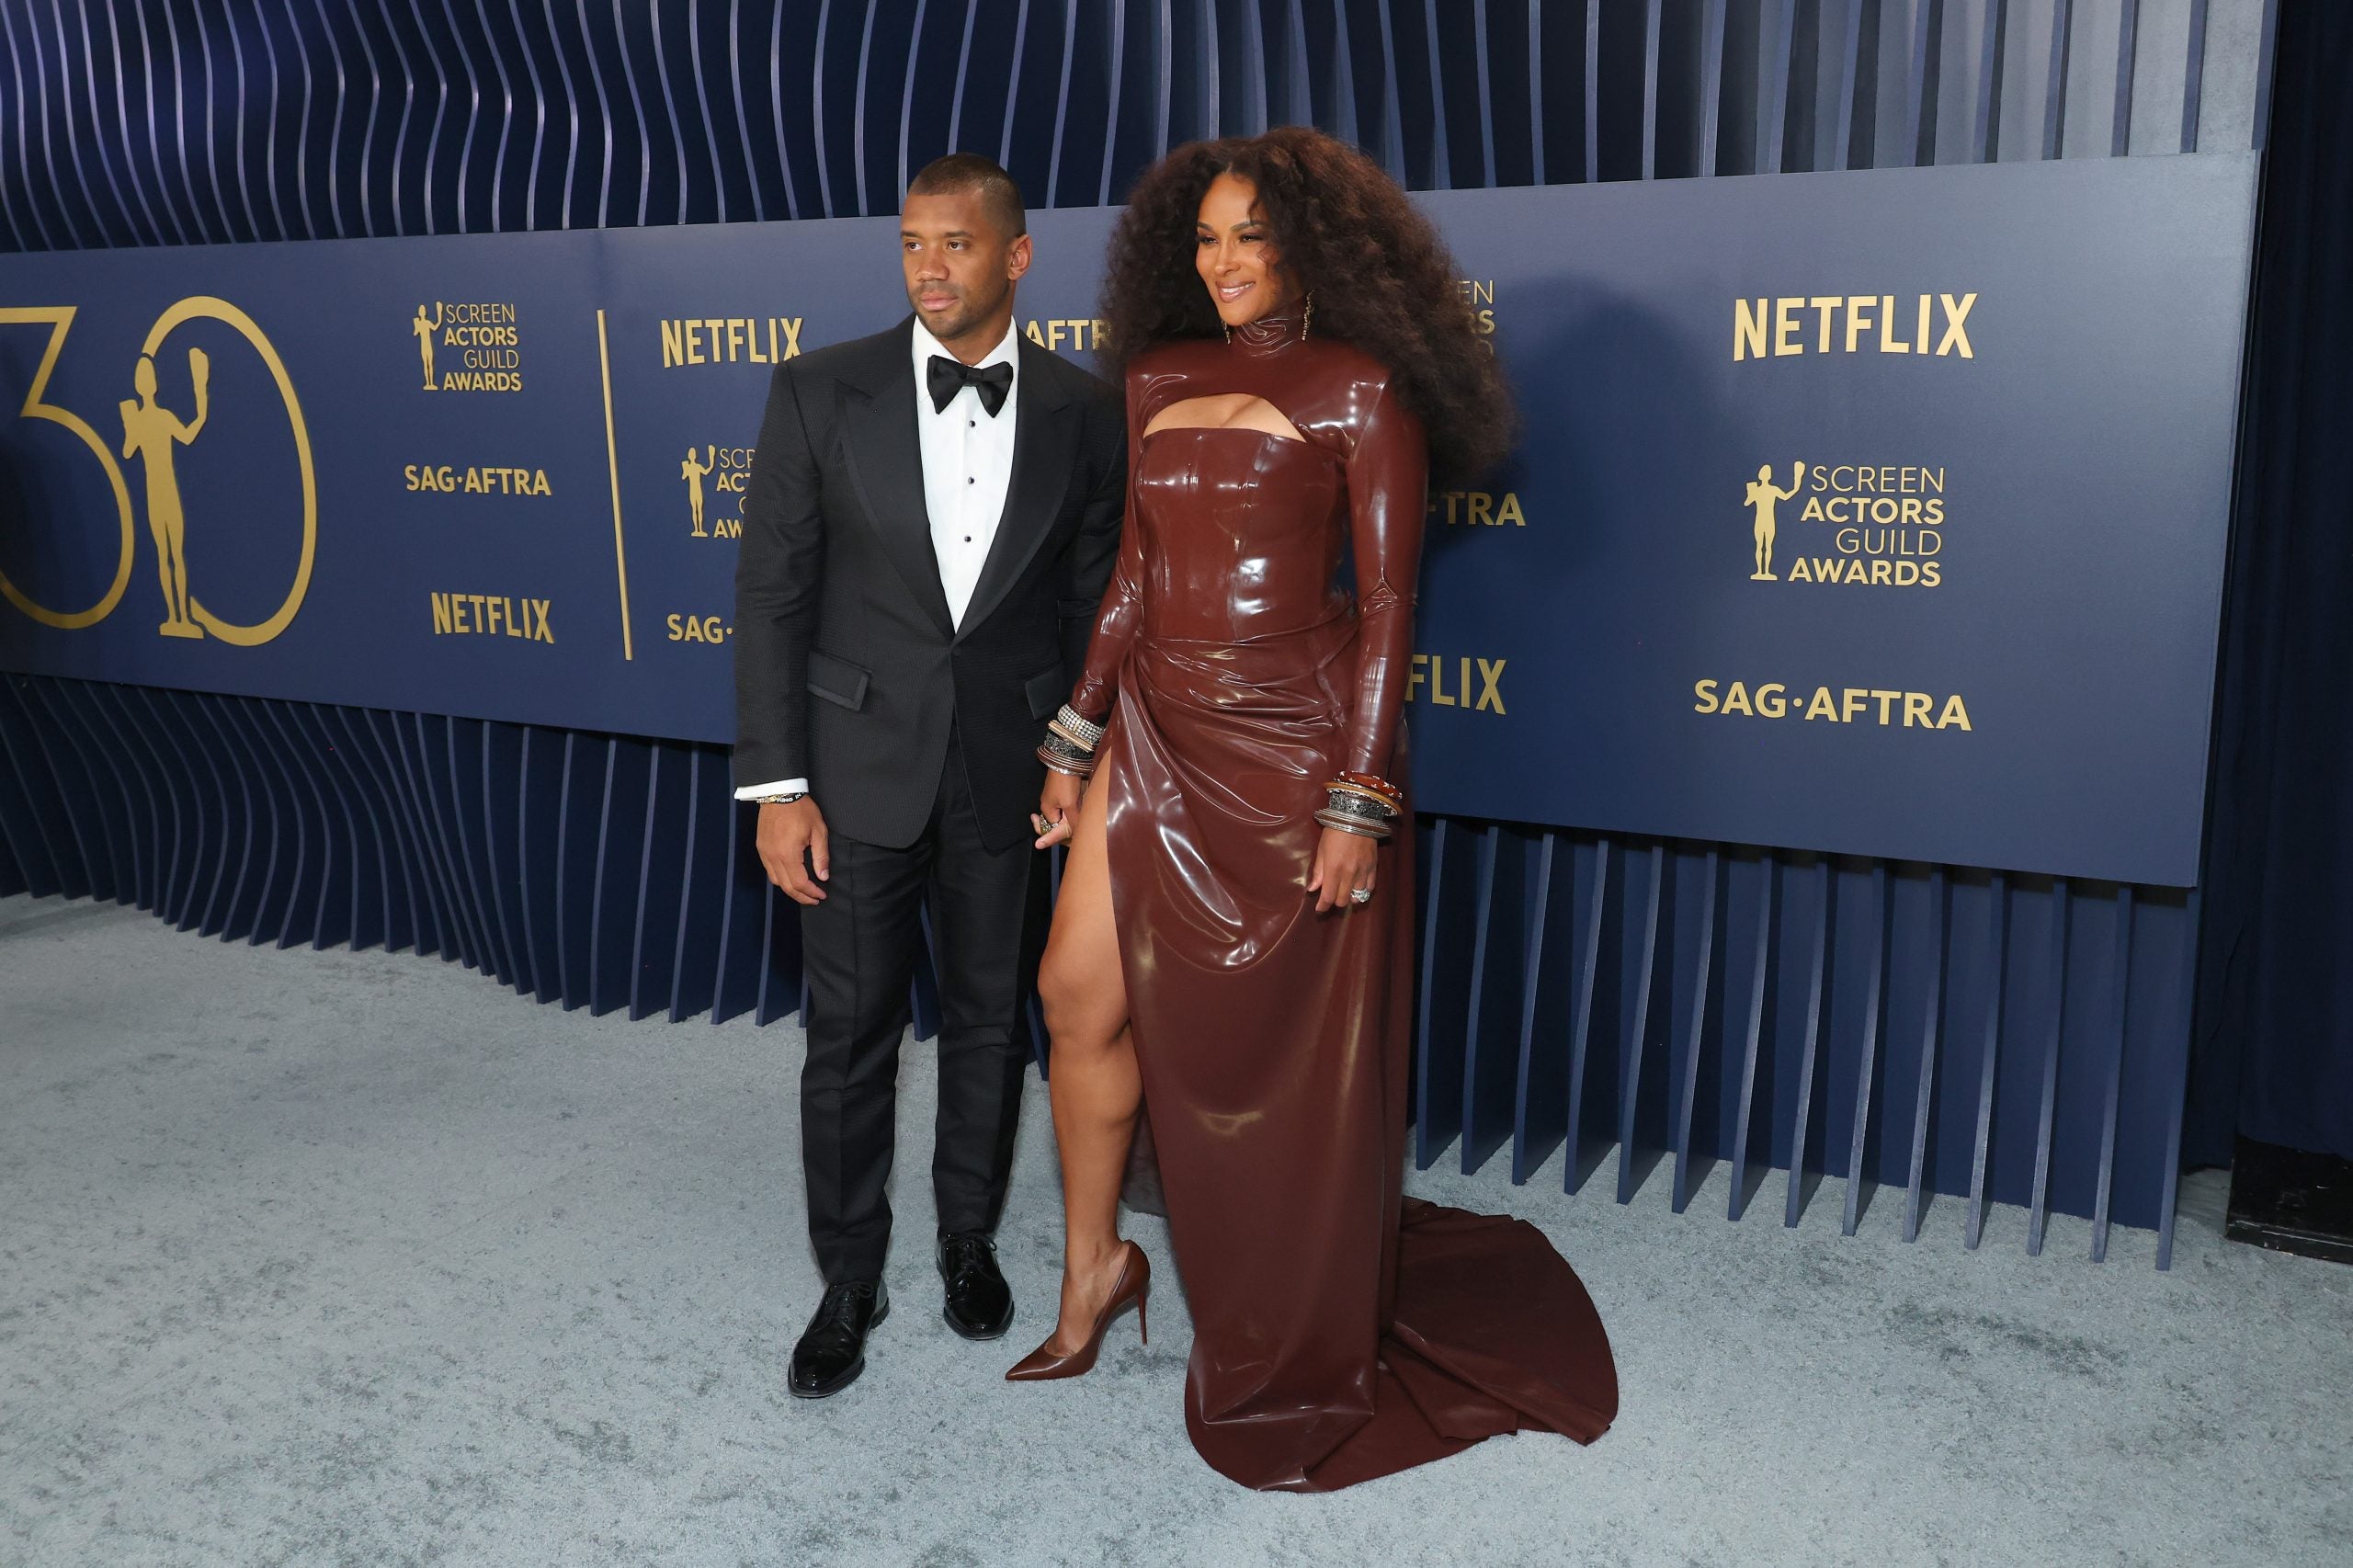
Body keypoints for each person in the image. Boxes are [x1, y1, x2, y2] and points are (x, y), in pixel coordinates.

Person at [1006, 128, 1619, 1492]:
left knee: (1282, 1051)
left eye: (1252, 237)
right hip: (1155, 724)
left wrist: (1360, 794)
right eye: (1205, 238)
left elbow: (1391, 604)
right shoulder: (1157, 376)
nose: (1223, 262)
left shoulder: (1361, 390)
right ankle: (1096, 1264)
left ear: (1312, 249)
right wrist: (1074, 735)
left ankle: (1285, 1275)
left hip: (1291, 747)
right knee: (1073, 993)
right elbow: (1132, 578)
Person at [732, 153, 1127, 1400]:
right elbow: (771, 599)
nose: (928, 268)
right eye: (911, 243)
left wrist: (1074, 756)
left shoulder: (1085, 409)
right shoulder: (817, 388)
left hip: (1008, 768)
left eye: (954, 243)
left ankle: (968, 1237)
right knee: (847, 1033)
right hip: (851, 766)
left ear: (1017, 255)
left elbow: (1092, 607)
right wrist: (777, 787)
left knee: (988, 1020)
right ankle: (849, 1275)